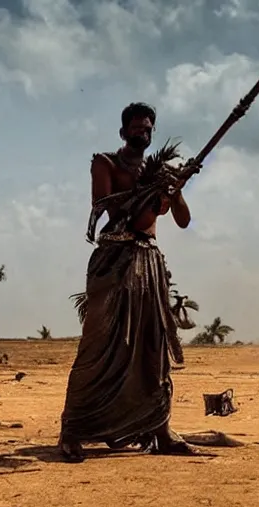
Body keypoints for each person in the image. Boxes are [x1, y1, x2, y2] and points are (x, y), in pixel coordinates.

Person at [59, 102, 199, 462]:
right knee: (98, 345)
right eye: (136, 128)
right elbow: (112, 210)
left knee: (153, 349)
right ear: (123, 132)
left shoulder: (161, 173)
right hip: (114, 260)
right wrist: (153, 194)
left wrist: (175, 190)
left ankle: (160, 428)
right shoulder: (105, 163)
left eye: (148, 128)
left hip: (149, 262)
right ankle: (72, 430)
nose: (143, 132)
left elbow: (183, 220)